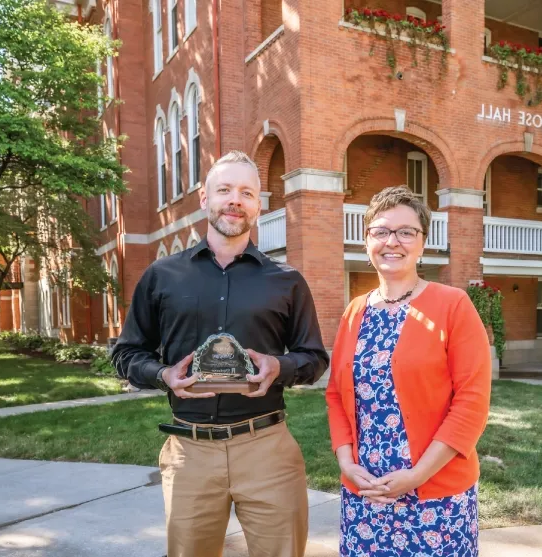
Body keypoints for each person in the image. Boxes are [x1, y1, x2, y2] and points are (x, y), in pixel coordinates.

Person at [111, 150, 329, 557]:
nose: (235, 200)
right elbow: (127, 353)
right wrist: (164, 376)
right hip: (190, 453)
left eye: (246, 192)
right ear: (203, 198)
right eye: (224, 189)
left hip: (267, 447)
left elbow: (314, 357)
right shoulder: (161, 275)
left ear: (258, 205)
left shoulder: (286, 280)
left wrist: (278, 367)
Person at [325, 186, 492, 556]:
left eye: (406, 232)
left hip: (435, 496)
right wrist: (347, 464)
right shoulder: (355, 312)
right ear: (367, 241)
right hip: (366, 493)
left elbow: (472, 402)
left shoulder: (453, 305)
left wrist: (416, 476)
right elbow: (336, 394)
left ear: (423, 242)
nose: (392, 241)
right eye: (381, 231)